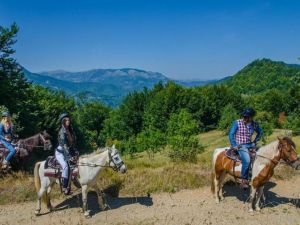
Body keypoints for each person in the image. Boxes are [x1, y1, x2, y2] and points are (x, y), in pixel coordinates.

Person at [229, 107, 263, 188]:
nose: (244, 118)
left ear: (251, 117)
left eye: (246, 117)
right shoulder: (237, 123)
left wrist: (255, 141)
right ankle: (244, 179)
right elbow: (231, 134)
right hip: (240, 145)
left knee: (262, 155)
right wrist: (234, 145)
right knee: (247, 160)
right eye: (244, 116)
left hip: (250, 144)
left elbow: (260, 132)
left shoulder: (254, 124)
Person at [55, 113, 78, 195]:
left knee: (78, 164)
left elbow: (71, 144)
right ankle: (65, 187)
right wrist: (70, 156)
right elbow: (64, 146)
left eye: (69, 120)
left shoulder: (69, 130)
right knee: (65, 167)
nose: (68, 121)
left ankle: (76, 182)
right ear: (63, 121)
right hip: (61, 153)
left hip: (68, 150)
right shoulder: (62, 132)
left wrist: (74, 152)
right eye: (66, 120)